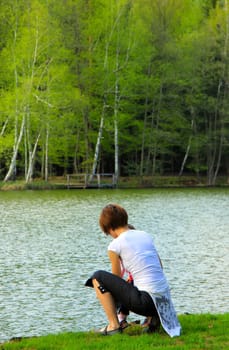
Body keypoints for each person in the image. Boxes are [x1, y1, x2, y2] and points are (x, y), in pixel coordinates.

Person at [85, 203, 181, 337]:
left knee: (98, 277)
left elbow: (116, 279)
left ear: (110, 228)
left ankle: (114, 325)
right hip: (164, 301)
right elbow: (160, 266)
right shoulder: (145, 235)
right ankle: (153, 317)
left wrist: (105, 295)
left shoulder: (115, 245)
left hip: (145, 302)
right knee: (136, 281)